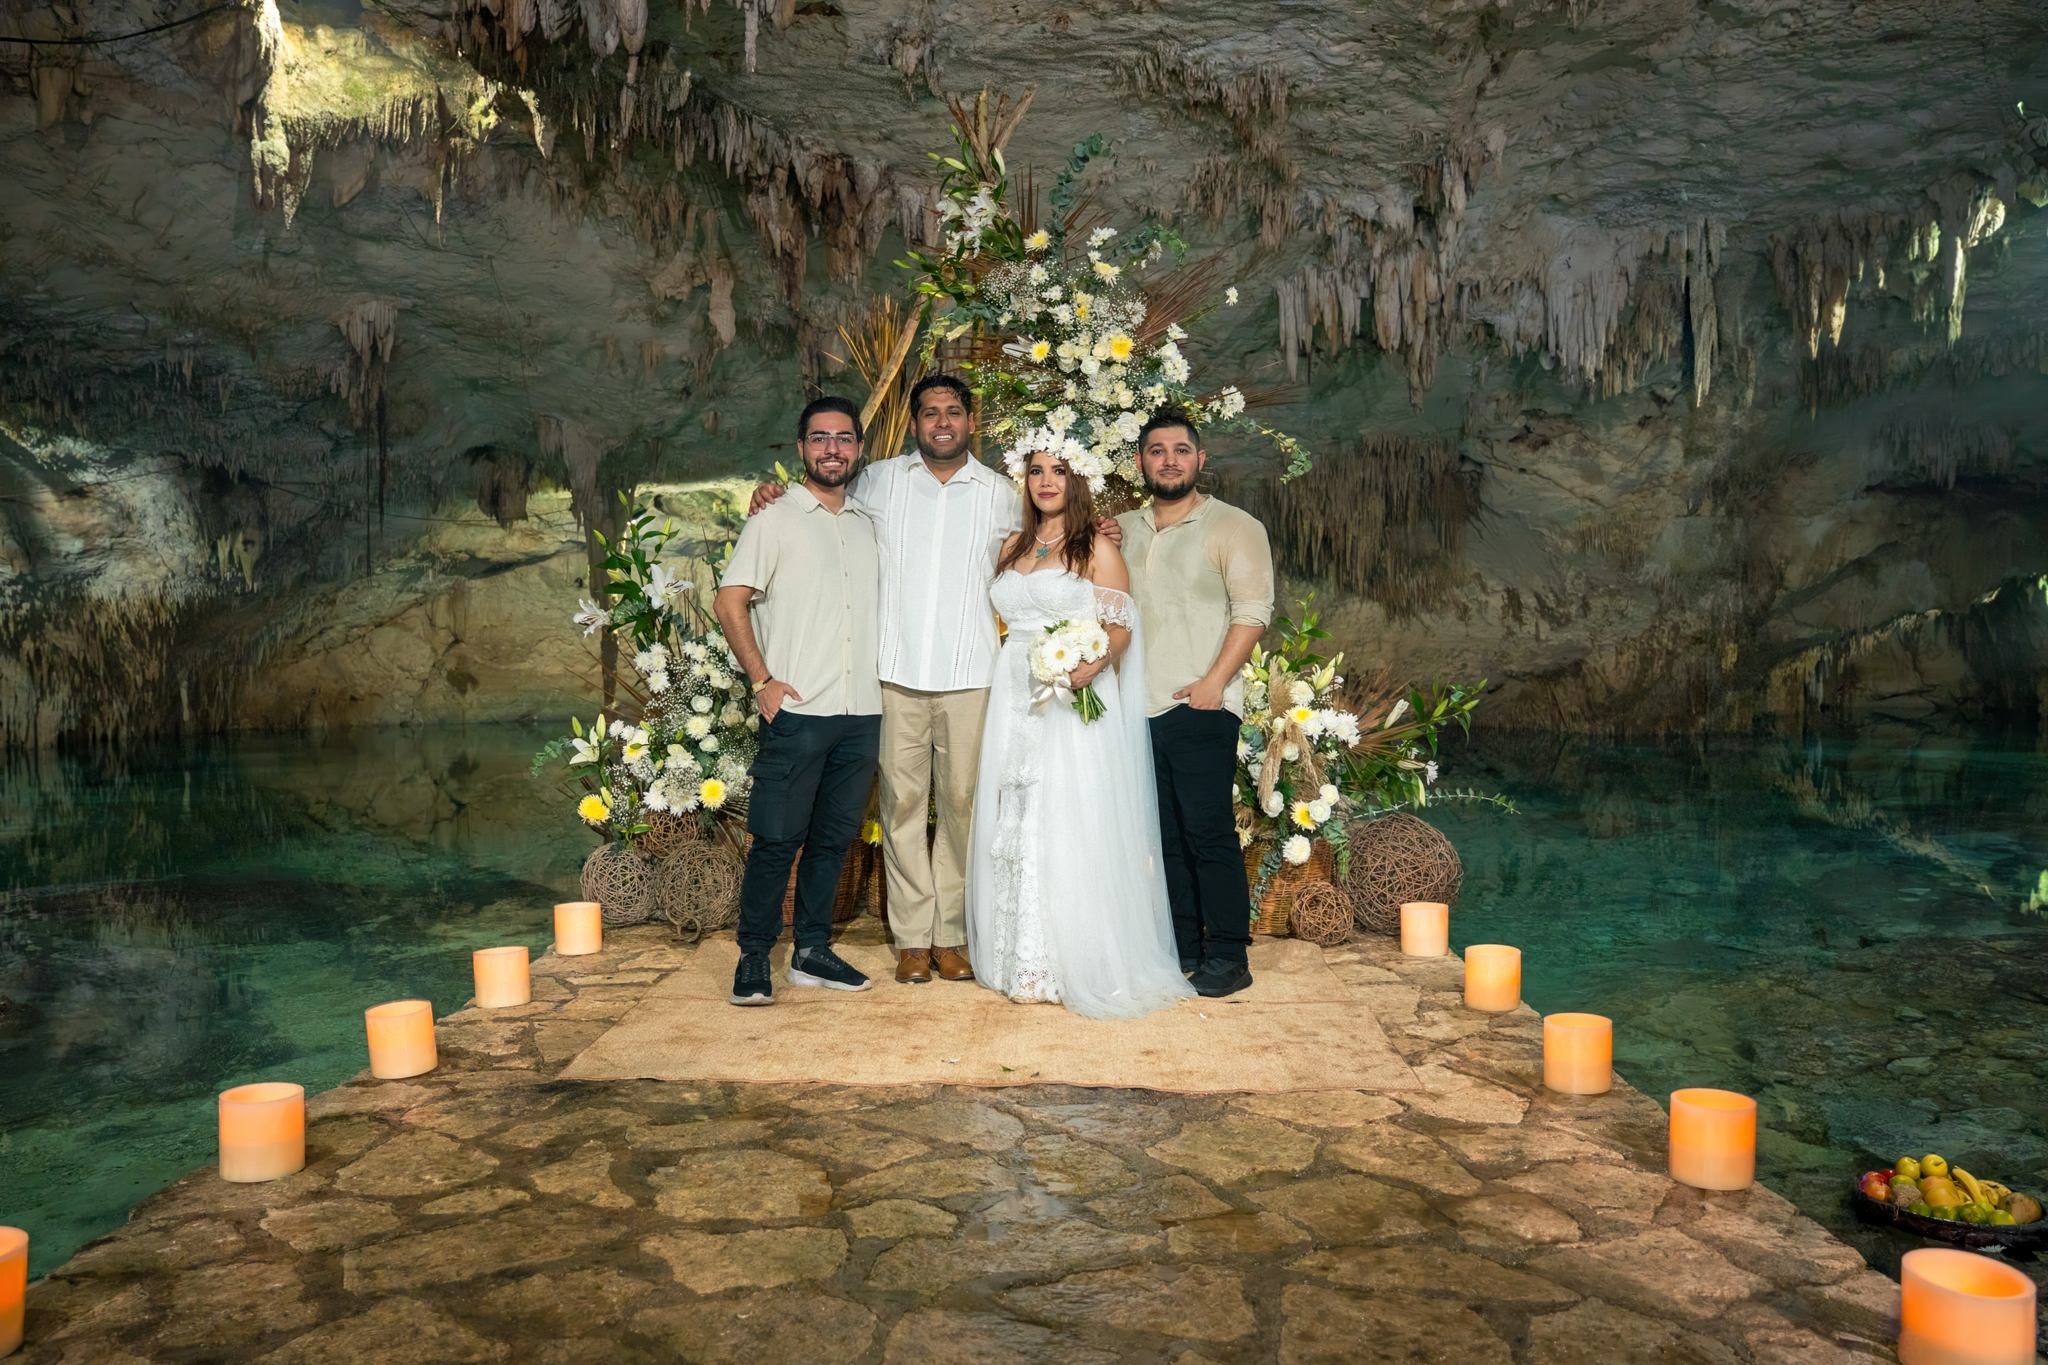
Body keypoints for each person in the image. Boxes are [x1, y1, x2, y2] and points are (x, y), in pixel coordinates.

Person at [965, 450, 1195, 1018]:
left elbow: (1120, 627)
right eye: (1037, 471)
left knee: (1064, 815)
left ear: (1077, 480)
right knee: (1014, 809)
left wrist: (1092, 663)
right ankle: (1020, 956)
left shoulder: (1098, 546)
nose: (1046, 482)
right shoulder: (1011, 548)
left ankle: (1074, 959)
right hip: (1013, 692)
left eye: (1059, 471)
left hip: (1071, 698)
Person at [714, 397, 883, 1006]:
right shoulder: (774, 517)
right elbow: (729, 600)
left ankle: (811, 951)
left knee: (835, 839)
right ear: (801, 449)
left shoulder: (870, 522)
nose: (832, 449)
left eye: (843, 438)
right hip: (799, 711)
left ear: (859, 449)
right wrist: (763, 680)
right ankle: (754, 956)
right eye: (819, 438)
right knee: (778, 838)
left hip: (863, 711)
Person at [1115, 409, 1275, 999]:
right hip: (1137, 706)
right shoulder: (1123, 529)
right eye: (1157, 451)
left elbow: (1253, 612)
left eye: (1181, 450)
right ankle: (1183, 944)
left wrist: (1214, 682)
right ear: (1141, 462)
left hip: (1200, 703)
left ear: (1200, 460)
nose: (1170, 460)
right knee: (1164, 834)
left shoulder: (1234, 527)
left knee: (1207, 831)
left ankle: (1229, 953)